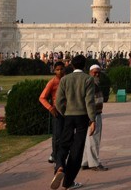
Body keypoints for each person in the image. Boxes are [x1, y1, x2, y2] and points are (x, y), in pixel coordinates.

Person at [50, 54, 96, 190]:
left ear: (72, 65)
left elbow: (58, 101)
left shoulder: (65, 79)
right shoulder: (88, 79)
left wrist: (65, 112)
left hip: (68, 116)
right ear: (85, 66)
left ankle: (59, 167)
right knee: (77, 149)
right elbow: (89, 101)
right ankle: (68, 182)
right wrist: (92, 119)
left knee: (64, 144)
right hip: (82, 117)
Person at [81, 64, 108, 171]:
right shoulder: (91, 83)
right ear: (90, 72)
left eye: (98, 72)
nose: (97, 74)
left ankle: (85, 161)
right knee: (94, 139)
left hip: (91, 114)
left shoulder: (91, 83)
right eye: (94, 72)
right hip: (93, 115)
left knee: (88, 139)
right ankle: (94, 163)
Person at [39, 61, 66, 164]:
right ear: (54, 70)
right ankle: (55, 155)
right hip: (57, 111)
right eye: (57, 69)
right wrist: (50, 108)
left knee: (67, 135)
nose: (60, 71)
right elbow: (42, 98)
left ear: (65, 69)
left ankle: (59, 155)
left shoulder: (67, 80)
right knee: (57, 135)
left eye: (61, 69)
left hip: (67, 110)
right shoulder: (52, 82)